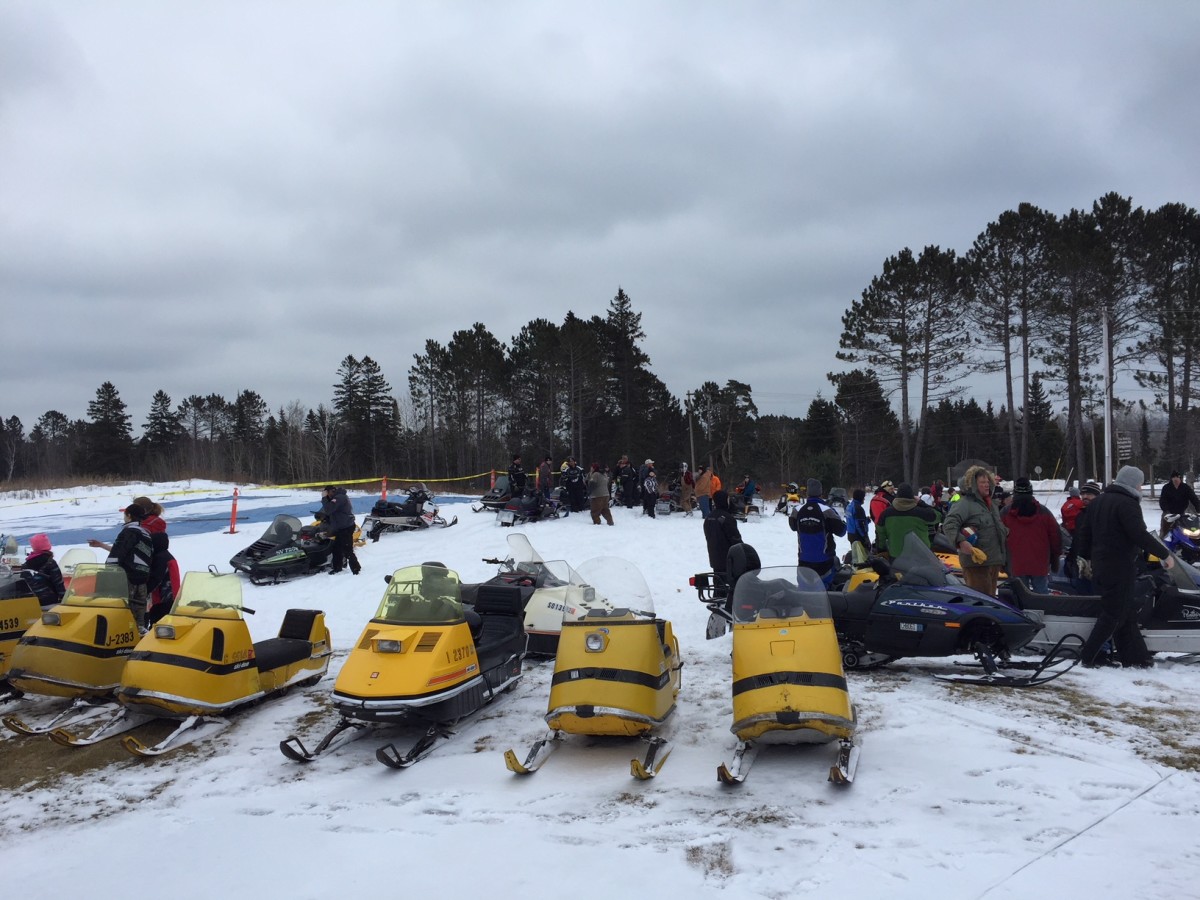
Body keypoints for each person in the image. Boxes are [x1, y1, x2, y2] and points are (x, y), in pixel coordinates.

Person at [1074, 466, 1175, 668]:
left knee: (1125, 612)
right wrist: (1165, 554)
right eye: (1139, 483)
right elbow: (1139, 534)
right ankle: (1088, 656)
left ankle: (1137, 658)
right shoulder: (1127, 504)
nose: (1141, 487)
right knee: (1113, 615)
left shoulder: (1099, 501)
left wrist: (1085, 558)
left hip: (1101, 566)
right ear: (1131, 483)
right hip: (1119, 566)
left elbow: (1084, 534)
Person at [942, 466, 1008, 597]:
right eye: (982, 483)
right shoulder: (964, 504)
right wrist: (960, 542)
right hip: (976, 564)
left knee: (991, 601)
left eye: (988, 482)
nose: (986, 485)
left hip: (993, 561)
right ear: (972, 485)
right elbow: (949, 524)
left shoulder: (991, 504)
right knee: (981, 603)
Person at [90, 503, 154, 628]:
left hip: (126, 579)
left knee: (124, 614)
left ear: (129, 515)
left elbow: (118, 553)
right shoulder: (146, 534)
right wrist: (102, 545)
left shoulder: (129, 532)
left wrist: (108, 573)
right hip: (142, 579)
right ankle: (139, 638)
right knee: (139, 617)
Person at [1002, 478, 1062, 594]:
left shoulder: (1005, 513)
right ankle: (1042, 611)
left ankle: (1022, 612)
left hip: (1015, 562)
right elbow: (1055, 535)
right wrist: (1055, 556)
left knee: (1020, 595)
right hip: (1040, 562)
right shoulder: (1044, 512)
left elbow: (999, 537)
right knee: (1041, 593)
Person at [788, 478, 847, 587]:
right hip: (824, 562)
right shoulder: (827, 510)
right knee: (826, 594)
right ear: (820, 492)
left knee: (804, 593)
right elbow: (842, 531)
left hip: (804, 561)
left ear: (808, 493)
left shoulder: (797, 510)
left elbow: (792, 526)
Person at [133, 495, 180, 625]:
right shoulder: (146, 526)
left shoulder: (149, 525)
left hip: (164, 590)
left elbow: (155, 579)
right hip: (159, 579)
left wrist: (140, 592)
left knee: (162, 615)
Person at [876, 483, 942, 556]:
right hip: (921, 556)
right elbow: (940, 516)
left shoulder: (885, 514)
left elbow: (880, 534)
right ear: (912, 496)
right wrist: (921, 503)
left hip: (897, 557)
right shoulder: (922, 512)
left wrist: (881, 549)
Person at [703, 490, 743, 594]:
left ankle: (717, 600)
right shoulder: (726, 518)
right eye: (728, 499)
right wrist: (743, 553)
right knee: (730, 585)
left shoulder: (709, 518)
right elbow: (735, 539)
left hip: (714, 557)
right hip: (728, 558)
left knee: (718, 582)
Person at [1064, 481, 1102, 586]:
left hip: (1095, 564)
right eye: (1083, 494)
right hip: (1079, 563)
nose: (1085, 497)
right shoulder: (1080, 515)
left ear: (1097, 496)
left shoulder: (1101, 515)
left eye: (1089, 494)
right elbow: (1077, 539)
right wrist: (1071, 557)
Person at [320, 485, 361, 575]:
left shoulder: (339, 498)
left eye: (327, 493)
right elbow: (331, 511)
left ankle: (356, 569)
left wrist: (324, 498)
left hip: (346, 527)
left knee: (347, 549)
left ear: (331, 491)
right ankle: (337, 568)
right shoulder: (337, 498)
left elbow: (328, 509)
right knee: (336, 549)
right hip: (341, 527)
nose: (327, 495)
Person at [17, 533, 66, 605]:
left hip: (32, 600)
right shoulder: (50, 562)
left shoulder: (26, 564)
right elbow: (58, 582)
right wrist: (64, 598)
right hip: (49, 599)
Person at [1158, 470, 1200, 538]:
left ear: (1180, 479)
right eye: (1174, 478)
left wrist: (1198, 509)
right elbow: (1162, 500)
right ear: (1171, 479)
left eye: (1177, 478)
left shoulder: (1186, 488)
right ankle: (1162, 542)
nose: (1176, 480)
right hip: (1169, 513)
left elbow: (1194, 499)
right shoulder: (1166, 488)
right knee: (1164, 531)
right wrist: (1166, 510)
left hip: (1181, 513)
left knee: (1186, 530)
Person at [845, 488, 871, 556]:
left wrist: (866, 520)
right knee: (863, 556)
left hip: (850, 534)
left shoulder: (849, 506)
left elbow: (853, 520)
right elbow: (859, 525)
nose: (864, 499)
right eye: (863, 497)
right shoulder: (858, 508)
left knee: (856, 555)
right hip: (858, 536)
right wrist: (865, 537)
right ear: (860, 498)